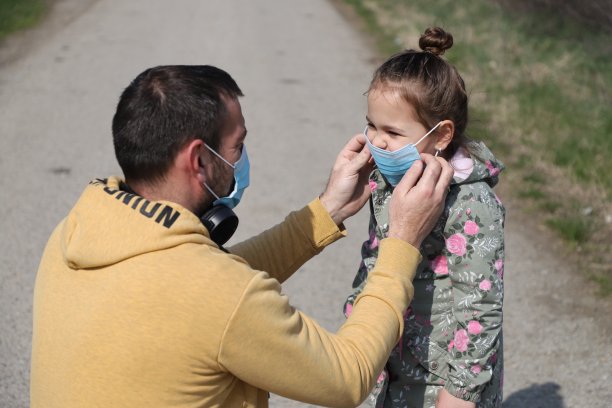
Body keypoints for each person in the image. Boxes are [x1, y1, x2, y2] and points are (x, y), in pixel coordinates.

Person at [30, 65, 454, 408]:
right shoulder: (215, 293)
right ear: (199, 159)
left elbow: (203, 288)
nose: (243, 159)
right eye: (237, 146)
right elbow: (347, 378)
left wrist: (327, 211)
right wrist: (402, 240)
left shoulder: (78, 227)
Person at [344, 27, 506, 408]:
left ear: (441, 135)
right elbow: (376, 259)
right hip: (384, 361)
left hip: (440, 381)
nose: (377, 141)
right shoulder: (389, 179)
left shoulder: (472, 202)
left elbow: (481, 302)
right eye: (371, 125)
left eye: (393, 131)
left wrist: (461, 392)